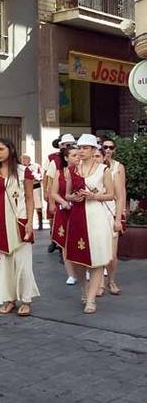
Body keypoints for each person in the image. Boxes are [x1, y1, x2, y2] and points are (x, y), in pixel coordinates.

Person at [64, 134, 115, 314]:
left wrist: (94, 196)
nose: (82, 151)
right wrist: (73, 197)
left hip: (96, 216)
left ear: (94, 150)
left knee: (97, 259)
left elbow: (111, 194)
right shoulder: (72, 170)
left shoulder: (103, 170)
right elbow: (67, 194)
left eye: (86, 147)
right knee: (78, 259)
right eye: (80, 147)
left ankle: (91, 299)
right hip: (78, 215)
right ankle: (84, 290)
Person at [0, 138, 40, 317]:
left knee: (23, 263)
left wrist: (29, 222)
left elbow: (29, 198)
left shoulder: (23, 171)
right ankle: (9, 298)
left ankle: (26, 300)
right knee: (4, 264)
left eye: (1, 149)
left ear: (10, 149)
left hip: (19, 220)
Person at [49, 146, 81, 285]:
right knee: (65, 244)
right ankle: (71, 274)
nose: (77, 157)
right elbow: (53, 192)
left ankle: (84, 269)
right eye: (74, 155)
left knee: (80, 240)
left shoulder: (84, 172)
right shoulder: (59, 173)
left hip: (79, 210)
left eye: (78, 155)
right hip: (64, 211)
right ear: (66, 158)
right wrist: (63, 201)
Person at [101, 137, 126, 295]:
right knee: (98, 249)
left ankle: (111, 281)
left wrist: (120, 214)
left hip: (111, 210)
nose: (108, 150)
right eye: (105, 147)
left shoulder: (118, 167)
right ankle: (100, 284)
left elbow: (121, 192)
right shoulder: (94, 166)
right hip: (95, 210)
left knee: (112, 253)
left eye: (111, 147)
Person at [44, 134, 75, 253]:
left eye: (71, 144)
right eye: (66, 144)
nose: (68, 146)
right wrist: (48, 196)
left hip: (74, 202)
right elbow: (48, 179)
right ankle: (54, 241)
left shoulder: (79, 160)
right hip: (59, 197)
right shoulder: (53, 159)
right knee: (56, 221)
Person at [21, 154, 44, 230]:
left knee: (38, 205)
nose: (24, 160)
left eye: (25, 158)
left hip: (35, 187)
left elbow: (41, 176)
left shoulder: (36, 166)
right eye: (23, 158)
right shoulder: (20, 168)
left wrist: (35, 178)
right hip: (25, 188)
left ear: (29, 159)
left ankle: (40, 223)